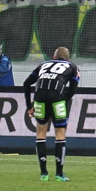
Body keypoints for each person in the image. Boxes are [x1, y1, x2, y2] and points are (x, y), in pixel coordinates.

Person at [23, 46, 80, 181]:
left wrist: (29, 106)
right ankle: (59, 174)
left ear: (53, 57)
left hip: (40, 96)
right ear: (68, 58)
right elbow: (72, 89)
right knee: (60, 133)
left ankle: (44, 173)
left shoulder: (43, 64)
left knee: (41, 132)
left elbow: (26, 84)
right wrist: (62, 100)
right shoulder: (72, 66)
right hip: (57, 97)